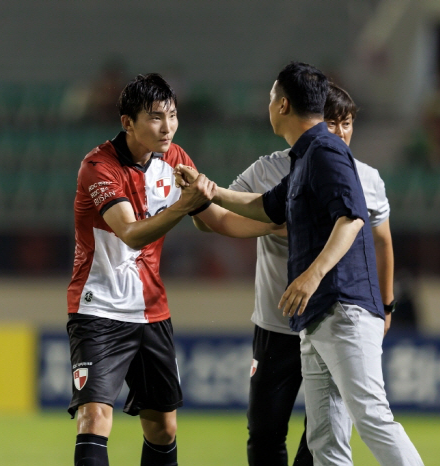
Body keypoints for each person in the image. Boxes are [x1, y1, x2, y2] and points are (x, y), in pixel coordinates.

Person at [175, 62, 423, 465]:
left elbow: (352, 217)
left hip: (340, 307)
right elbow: (264, 206)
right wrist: (208, 191)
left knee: (372, 418)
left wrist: (312, 275)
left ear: (283, 105)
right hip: (313, 318)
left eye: (272, 97)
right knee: (325, 439)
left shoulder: (327, 153)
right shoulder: (307, 154)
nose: (268, 105)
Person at [66, 73, 220, 466]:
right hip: (97, 309)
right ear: (127, 123)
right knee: (94, 417)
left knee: (163, 427)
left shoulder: (175, 158)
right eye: (155, 117)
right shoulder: (98, 166)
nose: (167, 126)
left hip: (152, 312)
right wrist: (184, 206)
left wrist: (276, 221)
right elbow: (132, 234)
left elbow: (216, 219)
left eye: (172, 115)